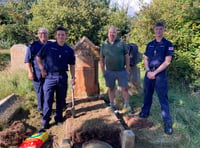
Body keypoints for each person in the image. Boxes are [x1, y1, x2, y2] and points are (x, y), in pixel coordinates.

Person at [36, 26, 75, 131]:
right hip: (50, 77)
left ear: (66, 36)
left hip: (62, 76)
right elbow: (38, 57)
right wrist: (42, 70)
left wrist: (73, 77)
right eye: (59, 35)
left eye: (63, 35)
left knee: (60, 99)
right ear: (56, 36)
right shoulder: (49, 46)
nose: (61, 36)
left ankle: (58, 118)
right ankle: (45, 121)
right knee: (48, 99)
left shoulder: (69, 50)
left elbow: (72, 64)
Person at [138, 21, 174, 135]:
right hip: (149, 73)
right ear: (154, 30)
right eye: (156, 29)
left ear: (163, 30)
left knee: (163, 99)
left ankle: (167, 124)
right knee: (147, 94)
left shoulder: (168, 44)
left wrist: (155, 73)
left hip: (160, 74)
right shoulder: (150, 44)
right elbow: (145, 59)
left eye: (160, 29)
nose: (158, 31)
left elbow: (167, 62)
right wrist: (148, 71)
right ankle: (144, 113)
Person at [100, 27, 133, 114]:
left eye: (114, 32)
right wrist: (103, 71)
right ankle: (111, 105)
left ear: (116, 34)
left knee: (124, 88)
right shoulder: (104, 45)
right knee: (111, 88)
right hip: (109, 71)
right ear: (108, 34)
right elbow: (101, 59)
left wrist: (127, 68)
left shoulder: (122, 43)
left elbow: (127, 56)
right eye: (110, 32)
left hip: (121, 71)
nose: (112, 34)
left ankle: (126, 105)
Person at [24, 28, 49, 115]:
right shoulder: (33, 46)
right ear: (38, 35)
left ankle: (48, 107)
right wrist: (30, 72)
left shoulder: (51, 45)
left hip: (50, 73)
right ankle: (41, 109)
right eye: (41, 33)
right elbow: (27, 61)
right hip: (37, 73)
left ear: (48, 35)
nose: (43, 35)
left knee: (49, 90)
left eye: (45, 33)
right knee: (40, 91)